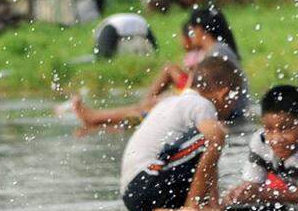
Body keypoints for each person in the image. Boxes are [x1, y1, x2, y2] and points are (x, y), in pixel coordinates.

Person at [119, 56, 244, 211]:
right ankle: (194, 208)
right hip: (147, 184)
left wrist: (215, 204)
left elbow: (208, 165)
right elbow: (213, 143)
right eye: (234, 100)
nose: (233, 106)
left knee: (204, 141)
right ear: (224, 93)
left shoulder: (172, 101)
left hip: (133, 194)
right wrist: (204, 206)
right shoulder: (202, 104)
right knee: (216, 136)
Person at [71, 19, 202, 131]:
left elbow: (194, 90)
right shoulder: (203, 52)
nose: (180, 40)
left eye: (182, 36)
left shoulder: (202, 55)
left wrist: (172, 96)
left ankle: (96, 118)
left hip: (191, 100)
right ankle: (140, 109)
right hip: (191, 94)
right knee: (154, 97)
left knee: (150, 109)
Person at [93, 12, 157, 59]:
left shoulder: (105, 27)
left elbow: (104, 50)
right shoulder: (109, 24)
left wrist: (102, 57)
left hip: (120, 30)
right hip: (140, 23)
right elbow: (153, 43)